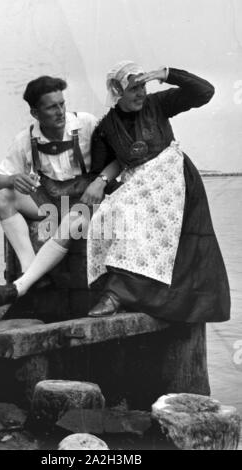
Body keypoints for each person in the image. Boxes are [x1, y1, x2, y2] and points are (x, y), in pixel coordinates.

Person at [84, 61, 230, 322]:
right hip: (139, 184)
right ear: (118, 92)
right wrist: (102, 181)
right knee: (108, 215)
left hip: (172, 178)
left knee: (134, 211)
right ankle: (119, 290)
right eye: (134, 88)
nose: (141, 93)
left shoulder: (158, 104)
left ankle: (117, 295)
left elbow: (205, 92)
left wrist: (166, 74)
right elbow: (100, 171)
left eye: (143, 86)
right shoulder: (106, 128)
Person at [0, 75, 101, 305]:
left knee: (74, 217)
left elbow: (114, 157)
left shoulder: (87, 124)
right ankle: (32, 273)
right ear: (35, 112)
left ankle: (21, 285)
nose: (60, 111)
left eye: (62, 104)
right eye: (51, 107)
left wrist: (100, 182)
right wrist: (13, 179)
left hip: (85, 203)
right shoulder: (25, 139)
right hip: (50, 204)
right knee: (3, 198)